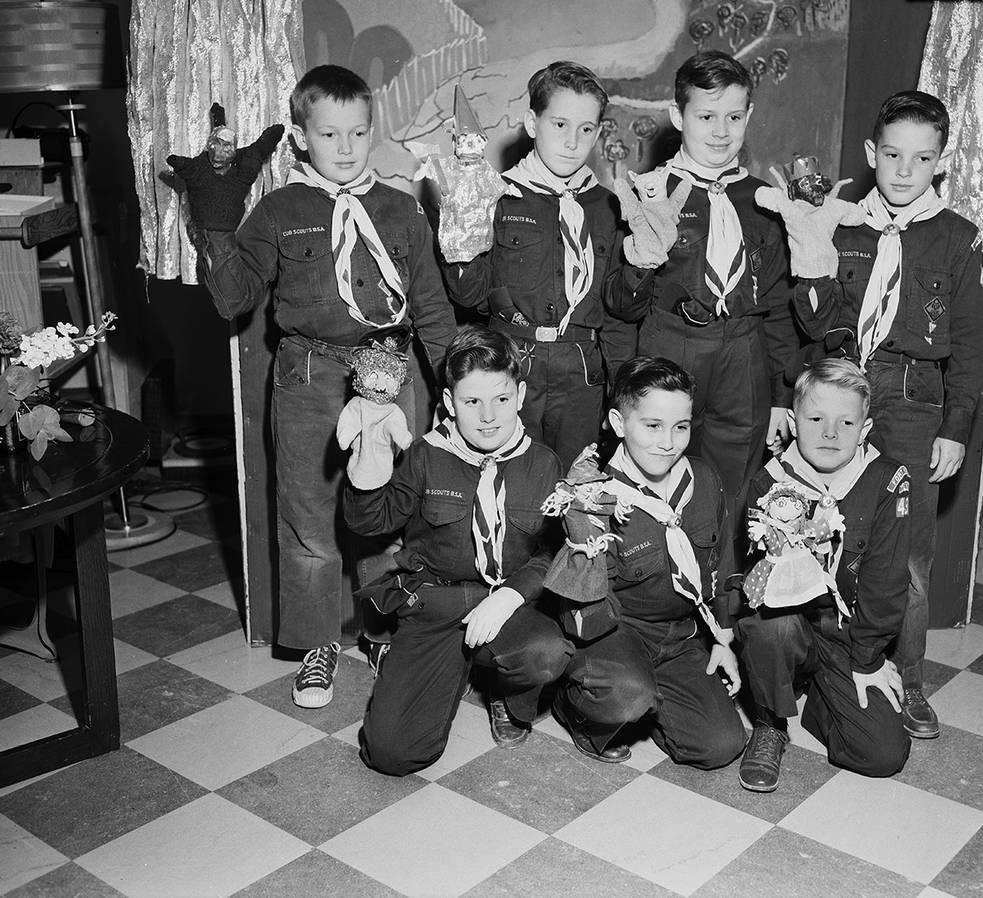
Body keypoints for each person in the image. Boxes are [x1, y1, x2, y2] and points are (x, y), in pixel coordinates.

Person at [186, 64, 457, 709]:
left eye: (358, 133)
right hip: (308, 378)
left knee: (393, 508)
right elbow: (232, 299)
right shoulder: (279, 211)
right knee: (309, 511)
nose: (345, 148)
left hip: (390, 375)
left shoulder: (400, 209)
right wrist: (216, 223)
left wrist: (453, 383)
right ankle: (318, 643)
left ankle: (388, 624)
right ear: (302, 136)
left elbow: (432, 308)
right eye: (329, 134)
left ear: (372, 133)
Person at [757, 90, 983, 739]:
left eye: (921, 157)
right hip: (840, 391)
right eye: (892, 154)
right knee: (816, 521)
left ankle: (908, 677)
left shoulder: (957, 238)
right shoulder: (839, 223)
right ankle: (804, 656)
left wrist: (955, 427)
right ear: (870, 153)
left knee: (907, 554)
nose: (904, 170)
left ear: (940, 161)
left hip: (915, 402)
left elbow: (968, 345)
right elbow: (807, 323)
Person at [344, 327, 573, 775]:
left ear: (520, 395)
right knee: (392, 754)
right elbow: (370, 523)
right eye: (471, 402)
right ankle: (444, 667)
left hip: (508, 603)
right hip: (436, 603)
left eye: (501, 400)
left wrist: (510, 596)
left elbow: (552, 552)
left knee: (545, 652)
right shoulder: (427, 455)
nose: (488, 416)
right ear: (449, 403)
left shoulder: (543, 463)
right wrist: (366, 463)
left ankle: (505, 693)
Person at [604, 50, 801, 504]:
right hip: (671, 346)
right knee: (657, 478)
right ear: (677, 115)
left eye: (734, 116)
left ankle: (721, 578)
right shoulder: (649, 194)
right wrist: (640, 261)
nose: (720, 131)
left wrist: (778, 397)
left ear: (749, 115)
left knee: (735, 488)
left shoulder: (764, 201)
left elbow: (776, 309)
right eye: (706, 116)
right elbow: (620, 308)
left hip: (745, 354)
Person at [547, 356, 746, 768]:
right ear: (619, 424)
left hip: (683, 634)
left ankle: (655, 699)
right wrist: (622, 664)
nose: (668, 442)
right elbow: (584, 603)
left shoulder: (704, 480)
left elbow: (720, 566)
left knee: (721, 746)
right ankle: (579, 707)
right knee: (627, 692)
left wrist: (721, 639)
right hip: (618, 630)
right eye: (652, 426)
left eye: (681, 427)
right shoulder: (593, 497)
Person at [445, 61, 637, 467]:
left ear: (599, 133)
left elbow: (620, 314)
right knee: (509, 480)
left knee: (575, 485)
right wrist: (461, 231)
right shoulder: (495, 196)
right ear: (532, 123)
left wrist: (624, 391)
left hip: (582, 369)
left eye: (586, 129)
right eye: (559, 125)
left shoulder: (610, 207)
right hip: (510, 364)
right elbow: (468, 296)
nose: (572, 142)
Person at [735, 359, 912, 791]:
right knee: (770, 629)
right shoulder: (770, 482)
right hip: (786, 622)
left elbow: (886, 583)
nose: (830, 433)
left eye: (846, 422)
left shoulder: (887, 482)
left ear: (865, 429)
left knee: (883, 755)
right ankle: (770, 719)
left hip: (846, 637)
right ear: (793, 423)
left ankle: (822, 699)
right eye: (816, 419)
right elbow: (759, 581)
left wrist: (868, 660)